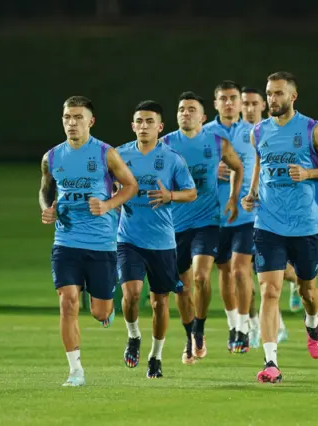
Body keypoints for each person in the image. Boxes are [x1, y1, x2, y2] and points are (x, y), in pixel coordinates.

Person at [241, 71, 318, 383]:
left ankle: (312, 323)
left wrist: (309, 174)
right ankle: (271, 361)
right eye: (270, 93)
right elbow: (260, 161)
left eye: (279, 93)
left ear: (293, 97)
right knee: (269, 290)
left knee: (307, 289)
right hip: (268, 221)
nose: (273, 99)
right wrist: (252, 192)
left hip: (304, 223)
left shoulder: (313, 130)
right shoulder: (258, 131)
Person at [40, 96, 138, 386]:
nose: (72, 122)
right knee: (67, 302)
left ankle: (103, 309)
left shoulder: (106, 154)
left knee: (100, 311)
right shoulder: (52, 157)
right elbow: (46, 190)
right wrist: (47, 209)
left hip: (102, 243)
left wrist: (108, 205)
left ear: (90, 121)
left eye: (78, 117)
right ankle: (75, 371)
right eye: (67, 117)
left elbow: (131, 186)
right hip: (66, 240)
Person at [117, 101, 197, 378]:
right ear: (132, 126)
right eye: (139, 121)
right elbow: (104, 185)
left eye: (149, 121)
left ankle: (156, 356)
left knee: (159, 302)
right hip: (128, 238)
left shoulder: (173, 159)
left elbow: (191, 192)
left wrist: (170, 196)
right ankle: (133, 336)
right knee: (131, 294)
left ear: (160, 127)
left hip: (162, 241)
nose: (143, 126)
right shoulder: (119, 155)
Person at [162, 91, 243, 364]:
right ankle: (189, 337)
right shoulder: (165, 144)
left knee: (200, 277)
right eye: (181, 109)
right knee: (182, 289)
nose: (186, 113)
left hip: (207, 222)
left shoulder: (217, 142)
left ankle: (200, 327)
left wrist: (232, 198)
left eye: (191, 109)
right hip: (173, 225)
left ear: (203, 117)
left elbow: (238, 167)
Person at [240, 87, 300, 349]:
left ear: (263, 105)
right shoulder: (231, 134)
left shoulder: (273, 131)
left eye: (254, 103)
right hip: (238, 216)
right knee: (242, 272)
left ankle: (297, 282)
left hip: (270, 213)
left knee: (266, 272)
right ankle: (255, 324)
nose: (249, 108)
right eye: (246, 104)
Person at [205, 81, 256, 354]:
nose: (228, 103)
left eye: (233, 98)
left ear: (240, 102)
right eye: (223, 98)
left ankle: (245, 326)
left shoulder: (254, 132)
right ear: (215, 103)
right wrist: (212, 171)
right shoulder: (204, 134)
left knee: (240, 269)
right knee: (224, 271)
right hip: (214, 215)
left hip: (248, 214)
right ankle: (233, 323)